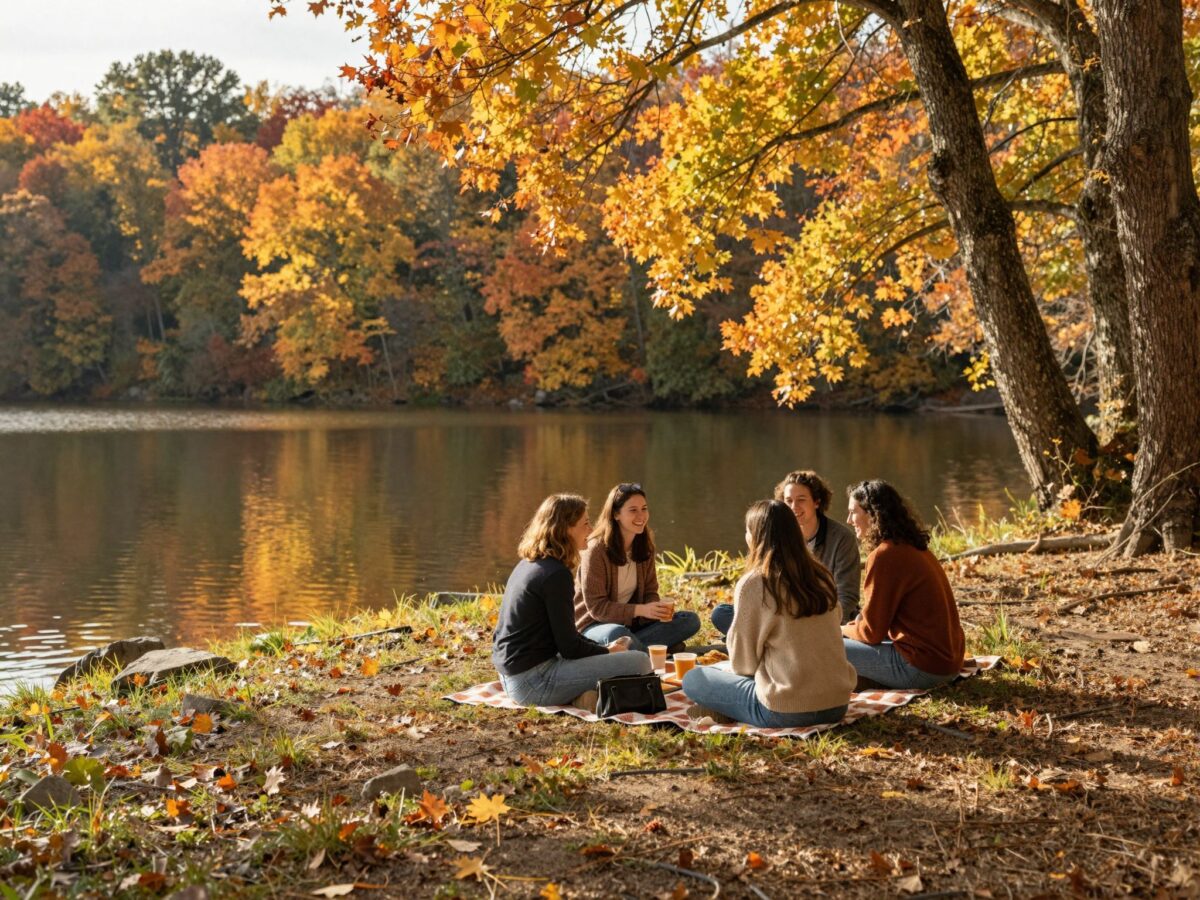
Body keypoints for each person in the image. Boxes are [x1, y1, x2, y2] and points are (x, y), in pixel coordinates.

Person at [682, 500, 856, 728]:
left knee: (693, 679)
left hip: (786, 710)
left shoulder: (754, 584)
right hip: (837, 704)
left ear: (755, 537)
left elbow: (743, 665)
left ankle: (728, 710)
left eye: (747, 531)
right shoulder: (822, 575)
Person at [492, 493, 652, 711]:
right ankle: (585, 693)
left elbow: (564, 637)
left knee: (619, 652)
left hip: (510, 675)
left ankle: (584, 695)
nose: (591, 529)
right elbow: (570, 648)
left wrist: (604, 649)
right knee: (640, 661)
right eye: (585, 523)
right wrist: (609, 653)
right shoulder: (556, 575)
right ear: (566, 528)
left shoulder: (530, 563)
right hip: (532, 683)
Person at [841, 479, 965, 690]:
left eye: (854, 512)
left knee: (822, 645)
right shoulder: (914, 547)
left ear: (872, 515)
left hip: (923, 668)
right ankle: (859, 681)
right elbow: (877, 624)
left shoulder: (885, 555)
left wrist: (841, 629)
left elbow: (871, 632)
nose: (849, 520)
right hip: (948, 662)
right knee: (845, 640)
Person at [711, 470, 860, 634]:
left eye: (801, 500)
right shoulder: (777, 534)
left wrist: (822, 626)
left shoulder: (842, 539)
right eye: (788, 501)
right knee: (722, 613)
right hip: (784, 614)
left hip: (824, 617)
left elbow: (847, 597)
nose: (794, 507)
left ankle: (761, 638)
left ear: (817, 502)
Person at [574, 482, 701, 653]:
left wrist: (655, 609)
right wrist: (641, 610)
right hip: (595, 626)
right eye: (633, 510)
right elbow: (597, 608)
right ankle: (655, 650)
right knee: (617, 633)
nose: (641, 515)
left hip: (633, 625)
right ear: (616, 514)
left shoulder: (644, 545)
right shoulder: (596, 550)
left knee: (689, 620)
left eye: (644, 508)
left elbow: (650, 591)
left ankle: (631, 650)